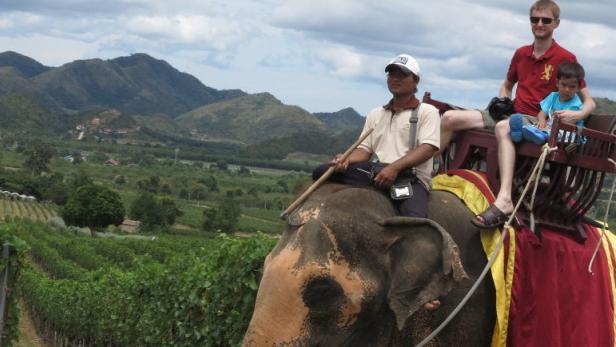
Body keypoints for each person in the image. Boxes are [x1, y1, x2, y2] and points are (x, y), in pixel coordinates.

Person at [437, 0, 595, 228]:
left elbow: (588, 102)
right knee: (449, 118)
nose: (539, 24)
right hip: (512, 113)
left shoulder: (565, 57)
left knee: (504, 127)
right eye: (535, 19)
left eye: (545, 20)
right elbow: (507, 85)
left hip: (536, 120)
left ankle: (504, 200)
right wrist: (503, 100)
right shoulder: (521, 53)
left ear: (556, 23)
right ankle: (425, 175)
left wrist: (577, 115)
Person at [312, 53, 440, 219]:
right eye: (392, 74)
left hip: (408, 177)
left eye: (402, 75)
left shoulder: (427, 112)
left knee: (415, 221)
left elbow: (428, 149)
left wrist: (394, 168)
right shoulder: (376, 113)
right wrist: (346, 159)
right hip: (374, 172)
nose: (395, 79)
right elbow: (365, 151)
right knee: (321, 171)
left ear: (415, 80)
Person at [510, 61, 586, 145]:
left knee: (565, 134)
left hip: (567, 131)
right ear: (557, 83)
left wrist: (548, 127)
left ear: (578, 87)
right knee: (523, 119)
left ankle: (541, 135)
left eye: (572, 87)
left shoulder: (576, 105)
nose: (567, 89)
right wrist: (542, 121)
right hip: (549, 127)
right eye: (564, 85)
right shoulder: (553, 96)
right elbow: (542, 113)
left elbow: (567, 124)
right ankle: (520, 133)